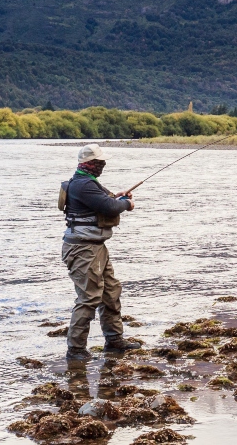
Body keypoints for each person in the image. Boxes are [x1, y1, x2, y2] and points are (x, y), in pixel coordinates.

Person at [61, 144, 141, 361]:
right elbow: (110, 208)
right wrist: (126, 203)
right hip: (82, 249)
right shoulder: (82, 184)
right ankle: (76, 350)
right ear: (89, 164)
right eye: (100, 162)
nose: (103, 165)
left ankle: (114, 341)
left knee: (111, 292)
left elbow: (104, 200)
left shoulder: (86, 182)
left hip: (95, 247)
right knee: (88, 297)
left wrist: (118, 195)